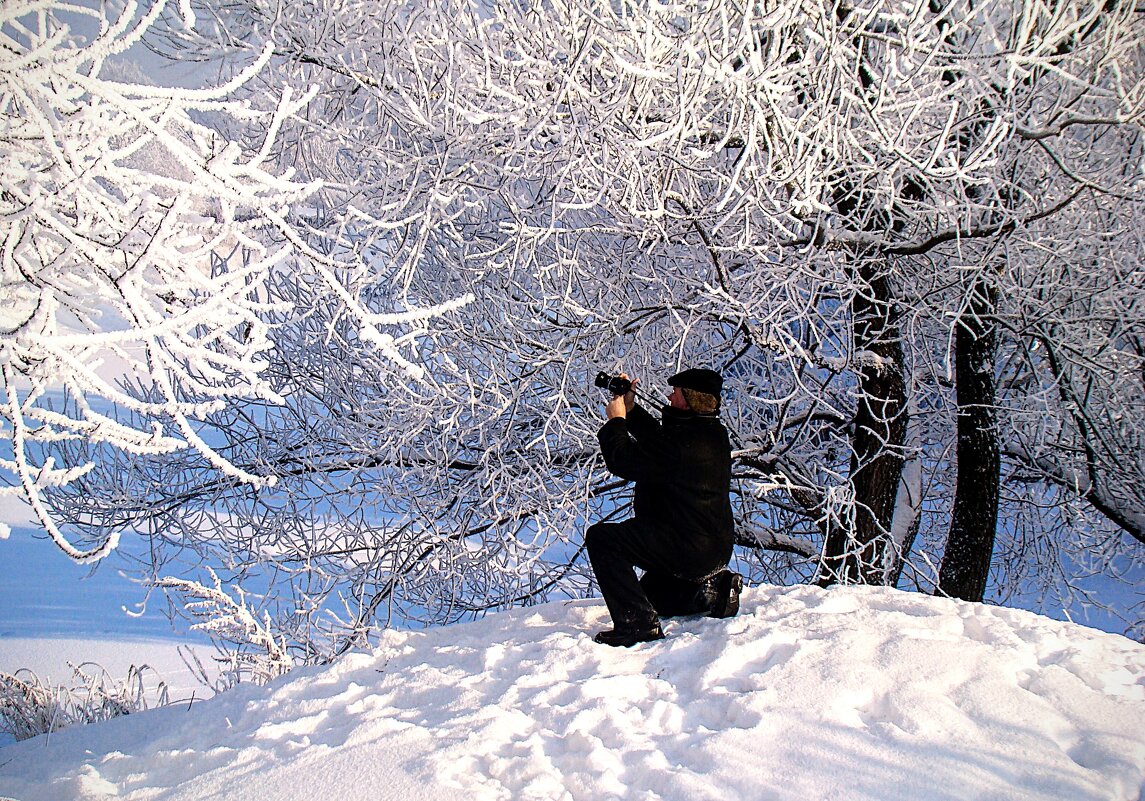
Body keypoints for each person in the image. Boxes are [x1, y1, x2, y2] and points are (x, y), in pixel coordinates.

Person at [586, 367, 743, 647]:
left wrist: (616, 422)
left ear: (690, 399)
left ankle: (637, 626)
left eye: (676, 392)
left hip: (686, 546)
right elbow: (661, 441)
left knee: (603, 539)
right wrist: (632, 409)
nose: (670, 395)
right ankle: (711, 590)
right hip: (709, 547)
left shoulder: (684, 444)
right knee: (651, 595)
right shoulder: (709, 432)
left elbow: (622, 460)